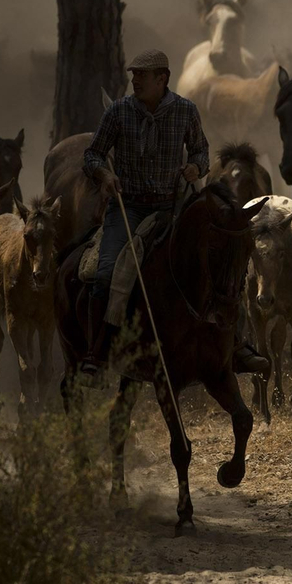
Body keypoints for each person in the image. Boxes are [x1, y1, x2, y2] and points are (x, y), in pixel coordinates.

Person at [78, 50, 268, 379]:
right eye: (133, 75)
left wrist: (196, 166)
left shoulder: (185, 110)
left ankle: (236, 344)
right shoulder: (119, 112)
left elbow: (201, 150)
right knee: (106, 273)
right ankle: (98, 352)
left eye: (142, 75)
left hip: (173, 204)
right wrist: (104, 175)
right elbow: (93, 154)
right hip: (130, 207)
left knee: (220, 261)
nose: (134, 80)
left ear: (162, 78)